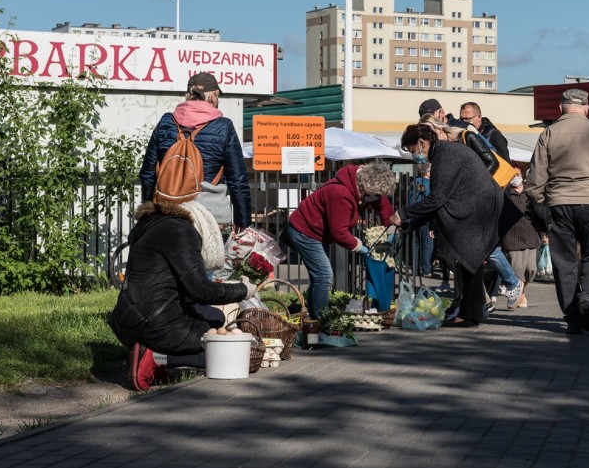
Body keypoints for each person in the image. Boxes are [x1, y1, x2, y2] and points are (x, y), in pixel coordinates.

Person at [108, 199, 257, 391]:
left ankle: (153, 352)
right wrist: (243, 290)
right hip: (153, 321)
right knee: (225, 353)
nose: (219, 234)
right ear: (207, 219)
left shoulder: (159, 225)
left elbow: (183, 288)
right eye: (220, 227)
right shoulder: (181, 232)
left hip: (130, 319)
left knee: (216, 317)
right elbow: (200, 291)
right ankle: (156, 356)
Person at [524, 88, 589, 334]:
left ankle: (572, 317)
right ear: (587, 108)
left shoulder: (548, 133)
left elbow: (535, 177)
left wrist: (543, 200)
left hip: (560, 204)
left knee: (565, 262)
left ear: (560, 108)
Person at [391, 123, 503, 327]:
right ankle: (471, 313)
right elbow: (439, 202)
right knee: (469, 263)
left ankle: (469, 315)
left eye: (414, 150)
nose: (416, 155)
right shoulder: (444, 153)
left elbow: (437, 200)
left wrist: (403, 213)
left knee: (468, 261)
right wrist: (413, 224)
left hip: (477, 210)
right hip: (477, 206)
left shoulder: (445, 155)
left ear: (422, 142)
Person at [421, 114, 525, 310]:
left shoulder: (466, 137)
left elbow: (492, 162)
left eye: (430, 134)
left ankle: (507, 285)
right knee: (468, 253)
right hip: (466, 204)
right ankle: (480, 301)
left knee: (484, 247)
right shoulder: (441, 153)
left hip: (483, 200)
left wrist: (473, 184)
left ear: (439, 129)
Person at [282, 162, 396, 319]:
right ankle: (321, 319)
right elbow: (339, 233)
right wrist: (360, 246)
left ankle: (314, 314)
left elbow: (384, 207)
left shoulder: (369, 184)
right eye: (373, 194)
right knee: (324, 275)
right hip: (305, 231)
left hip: (319, 232)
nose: (375, 198)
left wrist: (390, 230)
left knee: (319, 277)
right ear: (363, 186)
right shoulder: (340, 193)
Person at [139, 72, 251, 231]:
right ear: (213, 96)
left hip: (166, 211)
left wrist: (148, 212)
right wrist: (243, 224)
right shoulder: (224, 127)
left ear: (188, 95)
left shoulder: (166, 122)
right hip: (209, 216)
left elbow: (147, 174)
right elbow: (238, 180)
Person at [499, 164, 542, 308]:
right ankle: (517, 297)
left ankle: (521, 291)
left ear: (521, 174)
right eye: (512, 176)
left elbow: (538, 212)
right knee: (517, 270)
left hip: (530, 235)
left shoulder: (529, 192)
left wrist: (543, 233)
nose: (515, 178)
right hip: (512, 237)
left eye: (516, 175)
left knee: (530, 270)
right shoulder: (506, 193)